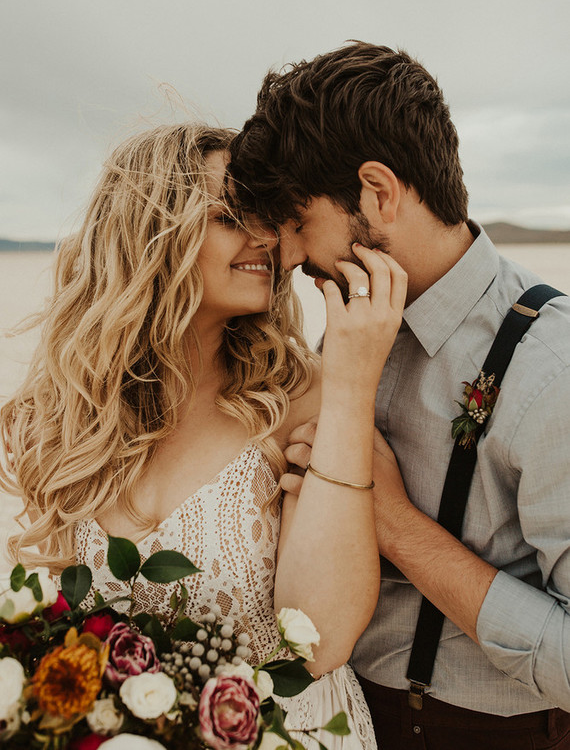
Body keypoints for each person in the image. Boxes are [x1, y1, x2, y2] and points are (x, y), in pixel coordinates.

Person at [0, 123, 407, 749]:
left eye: (267, 216)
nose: (266, 237)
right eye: (228, 216)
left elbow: (320, 639)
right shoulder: (63, 417)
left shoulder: (305, 397)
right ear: (149, 235)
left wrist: (354, 380)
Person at [228, 42, 570, 749]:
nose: (290, 258)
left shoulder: (552, 369)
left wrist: (394, 524)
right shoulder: (351, 326)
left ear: (379, 193)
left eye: (299, 223)